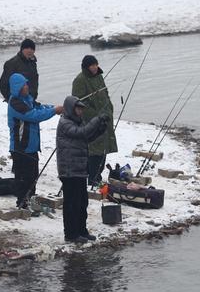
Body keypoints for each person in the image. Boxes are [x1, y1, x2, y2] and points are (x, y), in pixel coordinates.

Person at [56, 95, 108, 243]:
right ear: (71, 109)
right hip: (69, 170)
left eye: (81, 109)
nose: (80, 112)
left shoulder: (77, 123)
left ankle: (81, 231)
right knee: (71, 204)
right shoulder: (65, 123)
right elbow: (81, 133)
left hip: (79, 169)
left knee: (82, 202)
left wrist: (100, 129)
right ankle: (71, 234)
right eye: (78, 109)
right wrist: (96, 120)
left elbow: (86, 137)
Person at [7, 73, 63, 208]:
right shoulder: (15, 103)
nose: (27, 86)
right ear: (18, 87)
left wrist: (54, 108)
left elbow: (39, 107)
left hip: (31, 147)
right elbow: (34, 115)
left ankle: (30, 199)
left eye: (26, 83)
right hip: (20, 148)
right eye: (24, 84)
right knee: (23, 178)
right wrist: (54, 111)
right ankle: (22, 202)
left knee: (33, 176)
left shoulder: (27, 99)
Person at [72, 55, 118, 186]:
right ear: (86, 66)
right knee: (94, 151)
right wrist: (96, 116)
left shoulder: (99, 75)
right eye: (92, 65)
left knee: (104, 149)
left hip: (105, 118)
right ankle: (92, 178)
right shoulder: (79, 80)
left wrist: (109, 108)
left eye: (96, 64)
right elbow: (78, 103)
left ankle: (97, 177)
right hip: (92, 121)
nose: (94, 67)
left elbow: (105, 93)